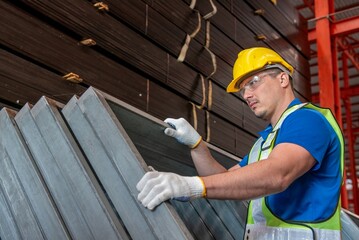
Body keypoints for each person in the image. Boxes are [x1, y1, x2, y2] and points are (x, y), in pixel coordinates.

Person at [136, 47, 344, 239]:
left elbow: (278, 174)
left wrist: (190, 185)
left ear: (282, 79)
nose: (246, 95)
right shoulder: (266, 142)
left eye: (253, 82)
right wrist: (197, 146)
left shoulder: (308, 120)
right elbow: (226, 180)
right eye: (242, 89)